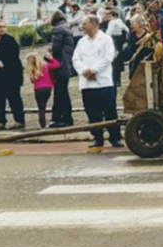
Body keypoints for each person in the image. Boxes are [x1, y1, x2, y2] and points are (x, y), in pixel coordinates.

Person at [73, 14, 122, 149]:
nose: (82, 26)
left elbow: (107, 58)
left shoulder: (106, 39)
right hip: (87, 83)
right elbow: (76, 59)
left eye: (84, 23)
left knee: (110, 111)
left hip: (103, 81)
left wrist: (93, 70)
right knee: (92, 112)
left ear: (93, 24)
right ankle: (97, 137)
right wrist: (84, 71)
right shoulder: (81, 41)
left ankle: (115, 137)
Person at [48, 10, 75, 128]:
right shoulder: (67, 28)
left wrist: (49, 54)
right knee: (62, 92)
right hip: (67, 63)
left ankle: (63, 118)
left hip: (61, 64)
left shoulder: (58, 29)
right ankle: (63, 117)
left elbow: (56, 48)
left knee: (60, 93)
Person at [26, 51, 60, 129]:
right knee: (44, 104)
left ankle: (42, 124)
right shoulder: (46, 66)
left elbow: (33, 81)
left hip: (38, 89)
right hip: (47, 88)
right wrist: (51, 59)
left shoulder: (33, 70)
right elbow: (57, 65)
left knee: (41, 107)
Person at [121, 14, 154, 79]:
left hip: (145, 64)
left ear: (140, 24)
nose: (131, 26)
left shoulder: (148, 35)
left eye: (132, 24)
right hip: (133, 63)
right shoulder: (131, 35)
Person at [105, 9, 129, 87]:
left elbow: (109, 32)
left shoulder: (112, 23)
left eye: (110, 16)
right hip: (119, 41)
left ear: (114, 16)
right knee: (118, 60)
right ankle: (118, 80)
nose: (109, 18)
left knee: (114, 60)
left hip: (113, 40)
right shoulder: (120, 21)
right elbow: (127, 29)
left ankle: (114, 80)